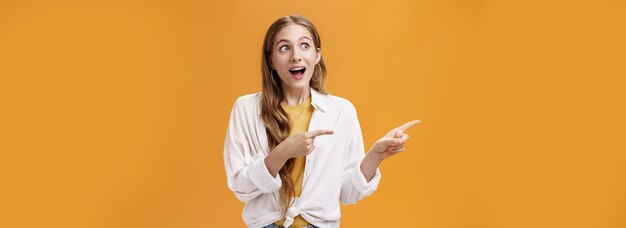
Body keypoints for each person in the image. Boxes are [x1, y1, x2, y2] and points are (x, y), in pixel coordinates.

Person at [223, 15, 420, 228]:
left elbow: (347, 193)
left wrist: (376, 155)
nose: (296, 56)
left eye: (304, 45)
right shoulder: (246, 109)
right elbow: (240, 187)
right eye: (284, 48)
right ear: (271, 59)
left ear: (317, 55)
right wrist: (283, 152)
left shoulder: (341, 111)